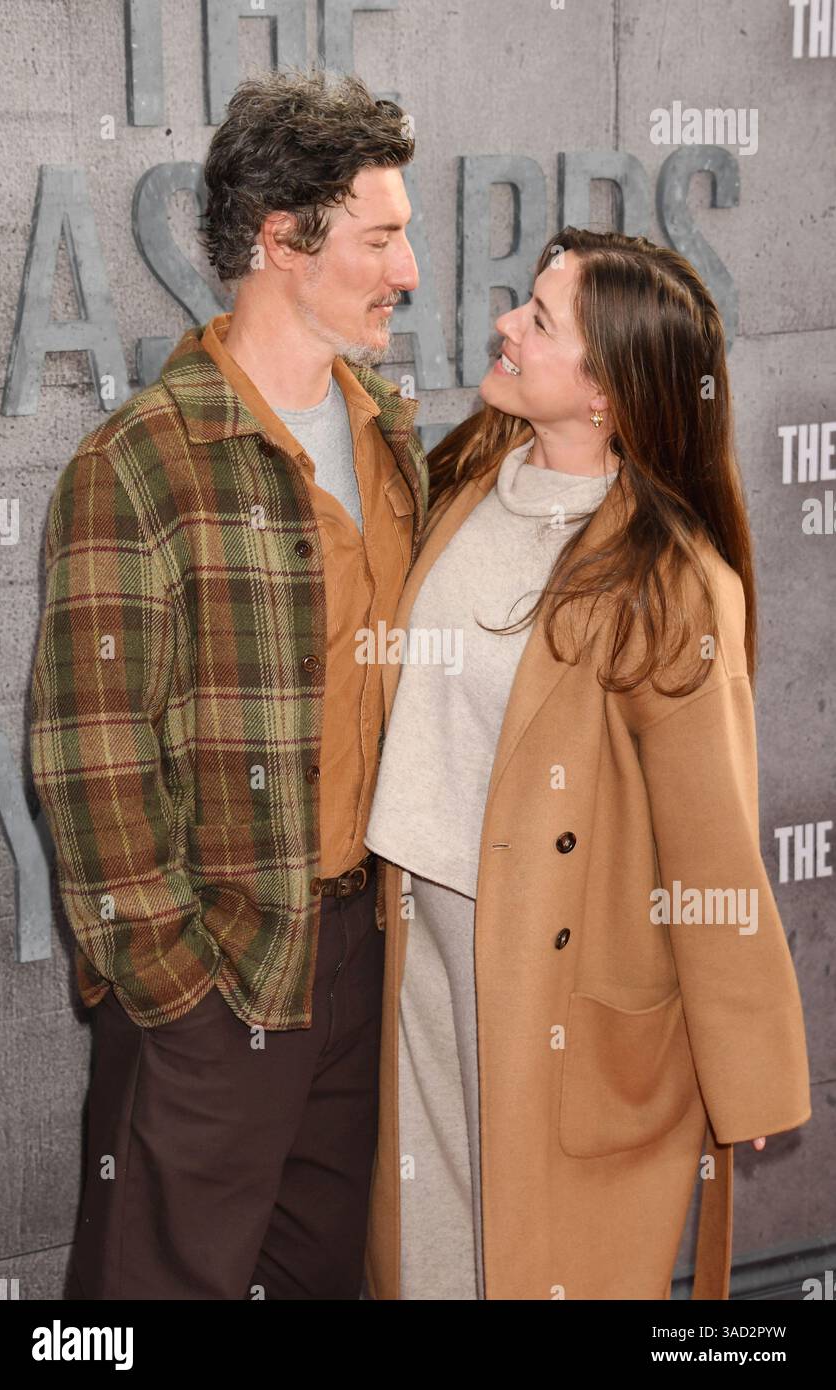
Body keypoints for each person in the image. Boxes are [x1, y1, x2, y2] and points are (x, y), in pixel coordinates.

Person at [29, 67, 427, 1300]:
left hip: (366, 954)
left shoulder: (391, 433)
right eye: (380, 236)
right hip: (216, 969)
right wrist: (178, 990)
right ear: (280, 240)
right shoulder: (139, 461)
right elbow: (88, 760)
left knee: (318, 1277)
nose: (406, 270)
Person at [362, 227, 812, 1300]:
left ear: (606, 390)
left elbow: (711, 843)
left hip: (557, 970)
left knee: (531, 1266)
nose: (504, 325)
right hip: (418, 934)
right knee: (426, 1255)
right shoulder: (468, 473)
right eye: (522, 301)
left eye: (538, 321)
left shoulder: (672, 581)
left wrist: (746, 1073)